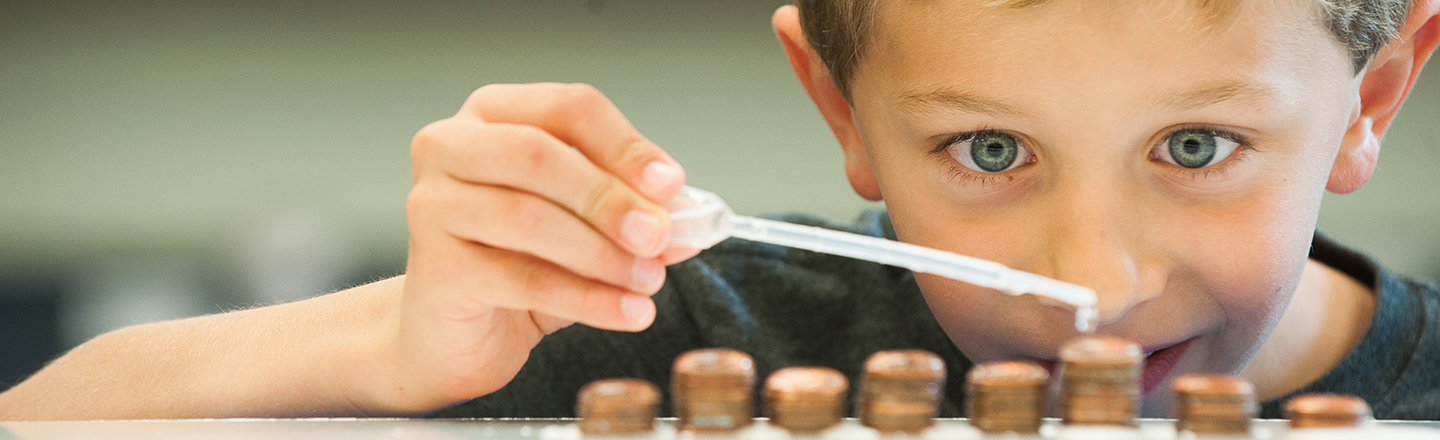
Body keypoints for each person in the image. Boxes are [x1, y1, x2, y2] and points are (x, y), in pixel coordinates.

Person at [1, 0, 1437, 421]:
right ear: (842, 109)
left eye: (1197, 145)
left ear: (1371, 100)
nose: (1098, 283)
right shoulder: (708, 346)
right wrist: (388, 353)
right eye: (991, 150)